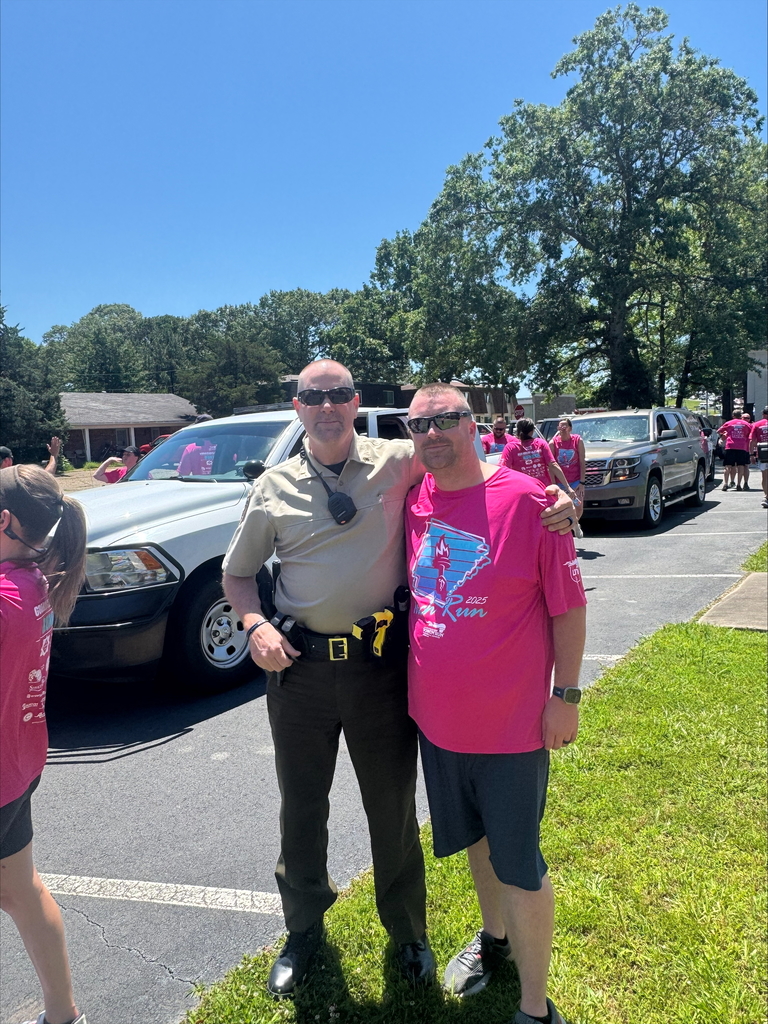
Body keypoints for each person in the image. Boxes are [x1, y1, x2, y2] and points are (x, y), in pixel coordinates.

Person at [220, 360, 576, 998]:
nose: (326, 406)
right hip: (299, 671)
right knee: (302, 805)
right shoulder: (272, 487)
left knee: (392, 807)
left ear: (355, 402)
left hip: (379, 667)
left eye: (338, 395)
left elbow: (471, 467)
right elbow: (237, 573)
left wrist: (556, 499)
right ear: (297, 406)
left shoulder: (398, 460)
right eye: (312, 397)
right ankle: (303, 930)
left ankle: (408, 934)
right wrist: (254, 624)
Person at [404, 383, 586, 1024]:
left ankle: (535, 1009)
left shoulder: (532, 503)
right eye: (419, 424)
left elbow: (569, 608)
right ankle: (494, 940)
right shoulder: (415, 498)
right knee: (476, 842)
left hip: (512, 726)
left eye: (447, 419)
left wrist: (565, 695)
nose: (432, 433)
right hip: (437, 722)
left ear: (474, 425)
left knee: (520, 863)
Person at [0, 465, 88, 1024]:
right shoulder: (32, 581)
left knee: (20, 892)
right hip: (17, 764)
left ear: (4, 520)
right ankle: (62, 1014)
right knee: (20, 892)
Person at [502, 420, 582, 538]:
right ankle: (573, 525)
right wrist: (568, 487)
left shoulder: (511, 448)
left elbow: (503, 470)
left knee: (532, 523)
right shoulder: (540, 443)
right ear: (532, 431)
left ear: (517, 431)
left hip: (524, 493)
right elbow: (553, 465)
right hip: (545, 492)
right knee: (556, 516)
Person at [549, 419, 586, 530]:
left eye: (564, 426)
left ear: (570, 428)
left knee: (578, 506)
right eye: (559, 427)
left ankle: (574, 525)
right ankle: (568, 529)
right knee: (561, 508)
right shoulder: (553, 443)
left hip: (575, 480)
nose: (562, 429)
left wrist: (582, 482)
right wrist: (554, 484)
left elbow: (582, 462)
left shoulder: (577, 441)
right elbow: (550, 466)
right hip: (560, 482)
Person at [717, 416, 751, 491]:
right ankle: (738, 484)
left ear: (733, 416)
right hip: (742, 447)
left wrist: (727, 432)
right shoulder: (746, 424)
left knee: (728, 466)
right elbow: (751, 433)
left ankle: (725, 483)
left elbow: (719, 431)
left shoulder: (729, 423)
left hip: (730, 446)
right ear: (741, 416)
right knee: (741, 466)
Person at [749, 406, 768, 508]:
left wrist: (752, 454)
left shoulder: (757, 424)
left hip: (763, 453)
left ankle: (766, 497)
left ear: (763, 414)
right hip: (763, 452)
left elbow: (752, 441)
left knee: (765, 476)